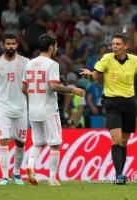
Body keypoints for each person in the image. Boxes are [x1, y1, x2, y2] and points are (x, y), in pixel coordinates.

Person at [80, 33, 137, 184]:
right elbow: (96, 76)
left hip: (129, 103)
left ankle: (121, 174)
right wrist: (90, 75)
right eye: (113, 44)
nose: (114, 46)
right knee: (116, 139)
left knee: (123, 141)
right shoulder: (107, 58)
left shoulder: (134, 60)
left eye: (117, 44)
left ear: (126, 46)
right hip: (112, 102)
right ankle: (119, 175)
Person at [22, 33, 85, 186]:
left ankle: (30, 166)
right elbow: (53, 86)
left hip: (33, 111)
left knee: (38, 143)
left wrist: (35, 98)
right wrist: (72, 89)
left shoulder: (29, 63)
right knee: (55, 144)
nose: (56, 48)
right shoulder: (52, 64)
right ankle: (52, 179)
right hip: (49, 110)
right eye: (56, 46)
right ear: (50, 47)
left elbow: (23, 88)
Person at [0, 33, 29, 185]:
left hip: (20, 107)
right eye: (8, 44)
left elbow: (29, 86)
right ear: (3, 45)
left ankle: (17, 173)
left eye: (13, 43)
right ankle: (5, 176)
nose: (11, 46)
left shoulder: (26, 62)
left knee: (20, 143)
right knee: (3, 140)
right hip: (2, 107)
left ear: (17, 45)